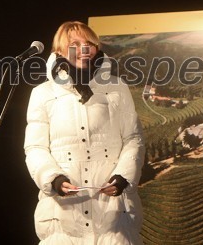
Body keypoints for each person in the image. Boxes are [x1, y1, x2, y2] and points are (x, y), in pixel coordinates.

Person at [24, 21, 145, 244]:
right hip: (63, 218)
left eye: (89, 43)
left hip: (113, 217)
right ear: (59, 51)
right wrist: (54, 179)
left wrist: (123, 177)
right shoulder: (42, 93)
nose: (84, 49)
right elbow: (35, 147)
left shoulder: (117, 88)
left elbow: (133, 138)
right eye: (75, 44)